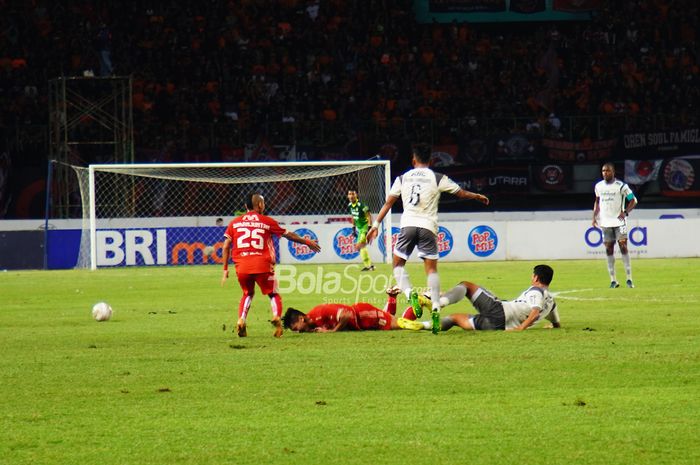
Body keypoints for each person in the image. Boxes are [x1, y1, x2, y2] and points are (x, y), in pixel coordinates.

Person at [366, 143, 489, 334]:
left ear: (413, 160)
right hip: (428, 227)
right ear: (430, 161)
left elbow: (388, 203)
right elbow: (460, 193)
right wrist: (477, 196)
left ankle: (410, 295)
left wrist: (375, 225)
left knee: (398, 265)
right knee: (431, 270)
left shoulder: (402, 177)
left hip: (407, 225)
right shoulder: (437, 177)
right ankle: (436, 310)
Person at [221, 192, 321, 338]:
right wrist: (307, 241)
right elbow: (288, 235)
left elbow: (225, 246)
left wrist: (225, 269)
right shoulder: (267, 221)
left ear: (245, 206)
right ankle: (276, 317)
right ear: (260, 205)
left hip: (242, 266)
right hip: (262, 265)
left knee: (247, 294)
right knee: (273, 294)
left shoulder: (234, 223)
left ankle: (241, 320)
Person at [399, 264, 560, 332]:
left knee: (467, 285)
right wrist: (553, 327)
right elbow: (556, 322)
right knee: (455, 319)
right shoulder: (552, 303)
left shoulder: (536, 291)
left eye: (533, 276)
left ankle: (437, 303)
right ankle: (421, 326)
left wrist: (521, 328)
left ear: (536, 278)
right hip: (499, 327)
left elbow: (535, 310)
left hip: (500, 311)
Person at [282, 287, 416, 332]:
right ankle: (392, 297)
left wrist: (333, 331)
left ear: (301, 318)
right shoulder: (311, 323)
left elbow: (347, 314)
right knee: (390, 318)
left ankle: (420, 302)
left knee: (400, 324)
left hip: (364, 315)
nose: (299, 332)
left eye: (296, 328)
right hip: (363, 317)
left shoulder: (320, 312)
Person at [592, 162, 638, 288]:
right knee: (608, 249)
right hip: (605, 222)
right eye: (603, 171)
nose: (605, 173)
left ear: (613, 172)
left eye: (607, 170)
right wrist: (594, 217)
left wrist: (625, 212)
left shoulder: (621, 186)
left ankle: (629, 278)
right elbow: (597, 202)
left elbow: (633, 200)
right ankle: (613, 280)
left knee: (623, 246)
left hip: (619, 222)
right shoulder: (598, 186)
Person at [347, 190, 374, 271]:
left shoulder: (361, 205)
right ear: (347, 196)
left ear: (356, 195)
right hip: (360, 229)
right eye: (349, 194)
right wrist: (353, 227)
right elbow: (353, 216)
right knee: (361, 247)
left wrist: (369, 227)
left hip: (364, 228)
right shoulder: (349, 206)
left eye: (353, 194)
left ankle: (368, 266)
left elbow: (369, 215)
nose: (351, 196)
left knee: (359, 246)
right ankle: (369, 266)